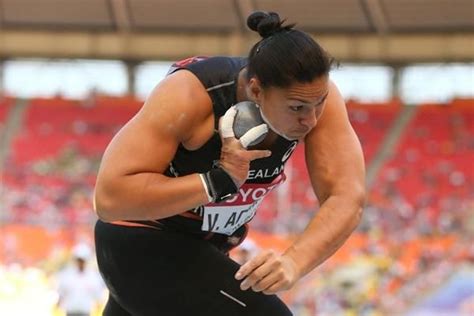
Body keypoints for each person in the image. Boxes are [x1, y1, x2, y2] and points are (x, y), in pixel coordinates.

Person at [93, 11, 365, 316]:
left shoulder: (311, 97)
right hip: (140, 242)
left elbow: (346, 197)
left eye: (320, 103)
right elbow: (109, 199)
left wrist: (294, 261)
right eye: (297, 108)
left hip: (206, 248)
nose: (311, 119)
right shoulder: (189, 95)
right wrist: (216, 182)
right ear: (256, 90)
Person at [55, 243, 105, 316]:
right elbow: (61, 292)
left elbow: (98, 296)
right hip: (70, 312)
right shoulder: (67, 275)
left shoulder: (93, 277)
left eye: (82, 260)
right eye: (79, 260)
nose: (80, 262)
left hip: (85, 312)